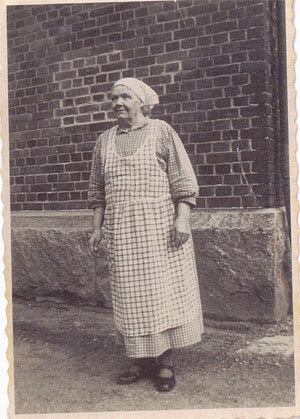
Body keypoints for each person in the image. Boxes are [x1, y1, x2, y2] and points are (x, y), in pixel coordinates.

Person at [88, 77, 203, 392]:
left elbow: (182, 180)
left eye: (125, 97)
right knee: (129, 297)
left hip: (160, 231)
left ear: (141, 101)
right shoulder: (104, 141)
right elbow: (97, 191)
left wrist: (183, 220)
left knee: (161, 294)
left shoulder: (161, 131)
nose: (117, 103)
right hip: (122, 233)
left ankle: (165, 363)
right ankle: (139, 361)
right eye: (113, 98)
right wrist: (97, 228)